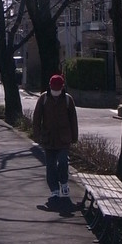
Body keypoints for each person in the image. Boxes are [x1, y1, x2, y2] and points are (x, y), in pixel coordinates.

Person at [32, 73, 79, 203]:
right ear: (50, 86)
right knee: (50, 165)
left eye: (58, 89)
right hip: (48, 138)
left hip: (64, 138)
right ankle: (54, 190)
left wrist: (74, 137)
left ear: (62, 87)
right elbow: (37, 118)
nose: (55, 91)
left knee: (63, 161)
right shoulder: (43, 98)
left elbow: (73, 120)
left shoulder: (68, 100)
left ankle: (64, 182)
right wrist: (37, 135)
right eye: (54, 89)